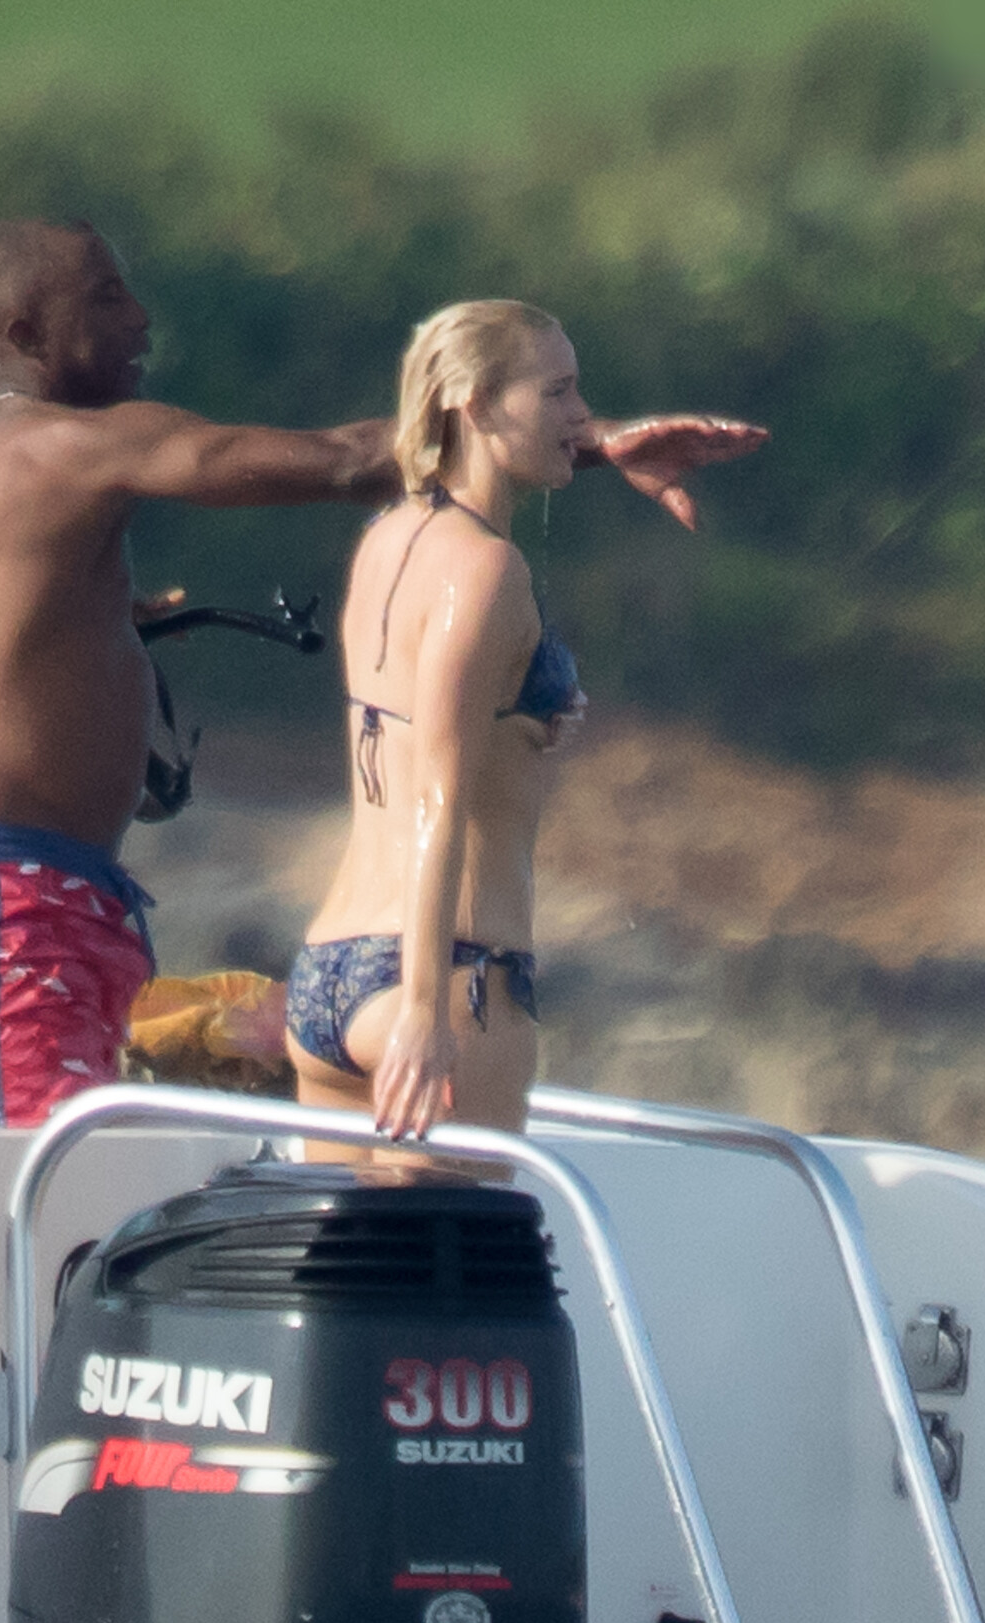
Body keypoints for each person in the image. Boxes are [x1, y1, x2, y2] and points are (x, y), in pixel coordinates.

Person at [0, 218, 402, 1128]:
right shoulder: (79, 445)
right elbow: (350, 460)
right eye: (104, 298)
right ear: (25, 333)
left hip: (22, 891)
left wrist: (49, 639)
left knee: (76, 1180)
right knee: (28, 1184)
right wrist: (567, 437)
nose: (139, 318)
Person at [285, 298, 765, 1143]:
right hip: (447, 974)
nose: (582, 416)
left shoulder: (386, 538)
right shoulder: (485, 568)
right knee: (463, 1237)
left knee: (350, 1238)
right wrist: (424, 1010)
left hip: (327, 974)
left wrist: (524, 724)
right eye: (556, 393)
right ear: (473, 402)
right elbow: (435, 799)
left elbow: (401, 732)